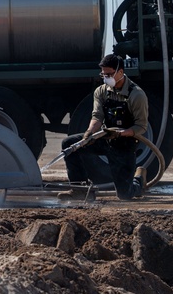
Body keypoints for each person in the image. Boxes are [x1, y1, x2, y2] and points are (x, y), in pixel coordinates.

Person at [58, 54, 149, 201]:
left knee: (124, 195)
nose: (106, 78)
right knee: (69, 144)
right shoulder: (101, 91)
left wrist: (121, 133)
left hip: (124, 147)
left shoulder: (137, 95)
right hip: (104, 139)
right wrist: (89, 133)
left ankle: (138, 181)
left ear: (120, 72)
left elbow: (141, 126)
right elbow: (97, 116)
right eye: (103, 74)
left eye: (109, 74)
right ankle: (80, 189)